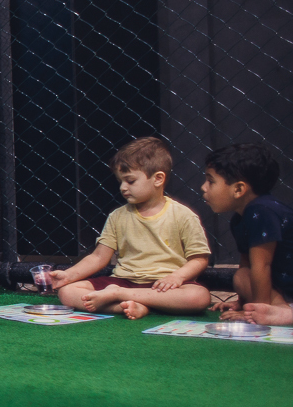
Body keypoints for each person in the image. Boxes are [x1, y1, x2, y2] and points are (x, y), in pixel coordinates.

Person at [51, 137, 212, 319]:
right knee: (67, 292)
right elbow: (98, 257)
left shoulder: (183, 215)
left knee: (199, 297)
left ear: (158, 179)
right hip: (122, 281)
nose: (123, 187)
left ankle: (123, 298)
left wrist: (177, 277)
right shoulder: (117, 216)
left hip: (163, 286)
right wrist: (68, 275)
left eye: (130, 181)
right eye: (120, 181)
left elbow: (199, 259)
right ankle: (127, 307)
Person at [201, 142, 293, 326]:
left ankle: (280, 313)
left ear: (238, 189)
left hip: (285, 288)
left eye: (211, 181)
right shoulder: (240, 219)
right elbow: (248, 266)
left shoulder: (261, 211)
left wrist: (255, 311)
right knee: (241, 276)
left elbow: (262, 265)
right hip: (283, 288)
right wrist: (243, 303)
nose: (204, 187)